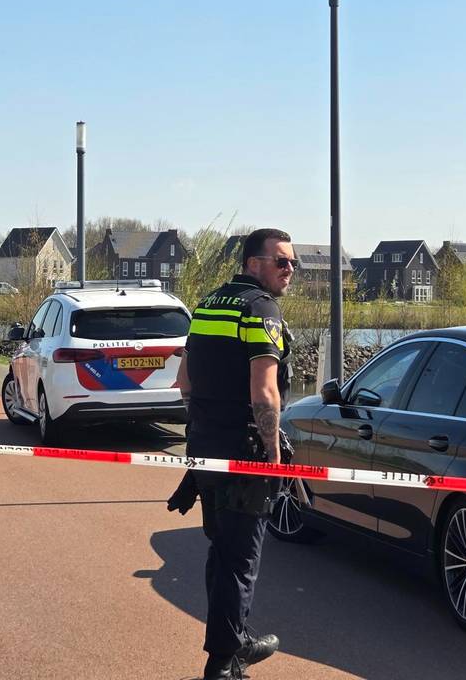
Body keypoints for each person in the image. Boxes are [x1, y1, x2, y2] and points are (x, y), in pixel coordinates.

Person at [176, 227, 298, 680]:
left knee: (222, 551)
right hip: (244, 453)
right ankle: (224, 662)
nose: (289, 270)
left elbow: (184, 382)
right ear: (253, 263)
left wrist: (205, 428)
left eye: (293, 263)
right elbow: (264, 393)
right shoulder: (261, 309)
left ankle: (236, 640)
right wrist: (273, 454)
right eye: (281, 261)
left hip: (205, 448)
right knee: (241, 560)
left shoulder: (209, 304)